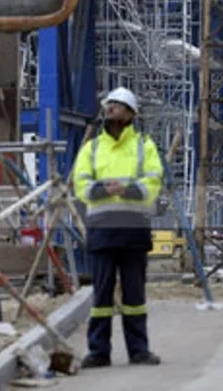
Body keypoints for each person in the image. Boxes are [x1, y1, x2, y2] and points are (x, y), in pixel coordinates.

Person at [72, 87, 164, 368]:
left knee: (134, 296)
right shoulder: (92, 148)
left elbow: (152, 182)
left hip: (133, 231)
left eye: (118, 104)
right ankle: (99, 352)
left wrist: (127, 190)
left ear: (130, 113)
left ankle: (139, 350)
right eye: (109, 104)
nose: (111, 108)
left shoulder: (144, 146)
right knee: (101, 297)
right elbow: (81, 184)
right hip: (102, 230)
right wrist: (103, 190)